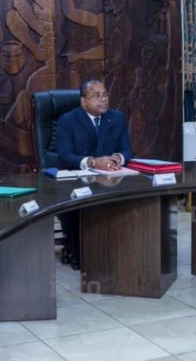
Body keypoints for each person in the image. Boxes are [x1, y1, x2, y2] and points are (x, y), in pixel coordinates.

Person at [55, 79, 133, 269]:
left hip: (110, 180)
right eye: (96, 96)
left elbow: (127, 150)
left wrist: (117, 158)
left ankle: (119, 251)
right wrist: (93, 162)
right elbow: (65, 155)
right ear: (84, 102)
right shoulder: (68, 120)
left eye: (105, 94)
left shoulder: (117, 118)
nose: (103, 99)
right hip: (76, 181)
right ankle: (80, 254)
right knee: (73, 203)